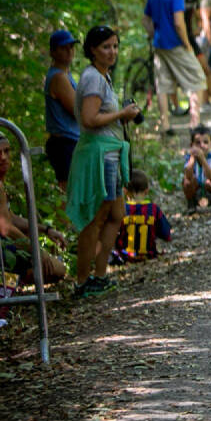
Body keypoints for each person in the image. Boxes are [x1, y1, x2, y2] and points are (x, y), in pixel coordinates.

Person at [66, 26, 141, 298]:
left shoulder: (102, 76)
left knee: (116, 215)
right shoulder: (93, 78)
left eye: (116, 46)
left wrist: (124, 115)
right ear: (92, 50)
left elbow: (100, 116)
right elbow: (88, 119)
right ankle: (83, 281)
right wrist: (122, 112)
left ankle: (99, 275)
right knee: (95, 219)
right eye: (106, 47)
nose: (113, 52)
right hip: (99, 156)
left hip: (110, 152)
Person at [0, 132, 68, 285]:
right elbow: (6, 228)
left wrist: (46, 230)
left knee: (47, 249)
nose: (3, 157)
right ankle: (7, 285)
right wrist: (37, 251)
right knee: (58, 269)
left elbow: (10, 217)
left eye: (7, 151)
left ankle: (8, 285)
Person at [142, 0, 202, 135]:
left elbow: (145, 19)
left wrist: (154, 34)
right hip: (176, 44)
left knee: (163, 85)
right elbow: (179, 22)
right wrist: (187, 44)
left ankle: (165, 124)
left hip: (159, 45)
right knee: (197, 78)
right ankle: (194, 122)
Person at [44, 30, 81, 192]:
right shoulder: (58, 77)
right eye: (63, 48)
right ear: (53, 52)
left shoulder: (66, 74)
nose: (69, 51)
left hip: (71, 141)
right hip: (64, 143)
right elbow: (78, 110)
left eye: (71, 47)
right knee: (67, 194)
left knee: (75, 192)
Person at [112, 169, 171, 263]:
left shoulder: (121, 210)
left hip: (125, 256)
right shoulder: (154, 210)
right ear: (147, 190)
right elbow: (167, 235)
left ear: (125, 191)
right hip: (149, 255)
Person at [177, 0, 211, 113]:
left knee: (204, 67)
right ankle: (179, 106)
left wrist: (200, 28)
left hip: (191, 38)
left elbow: (199, 17)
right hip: (176, 39)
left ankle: (206, 101)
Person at [182, 124, 211, 213]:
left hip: (210, 192)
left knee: (210, 182)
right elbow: (188, 176)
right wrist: (192, 159)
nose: (201, 145)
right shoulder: (188, 158)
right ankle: (191, 203)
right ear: (192, 145)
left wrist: (203, 160)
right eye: (198, 143)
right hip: (197, 191)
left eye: (205, 142)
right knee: (187, 181)